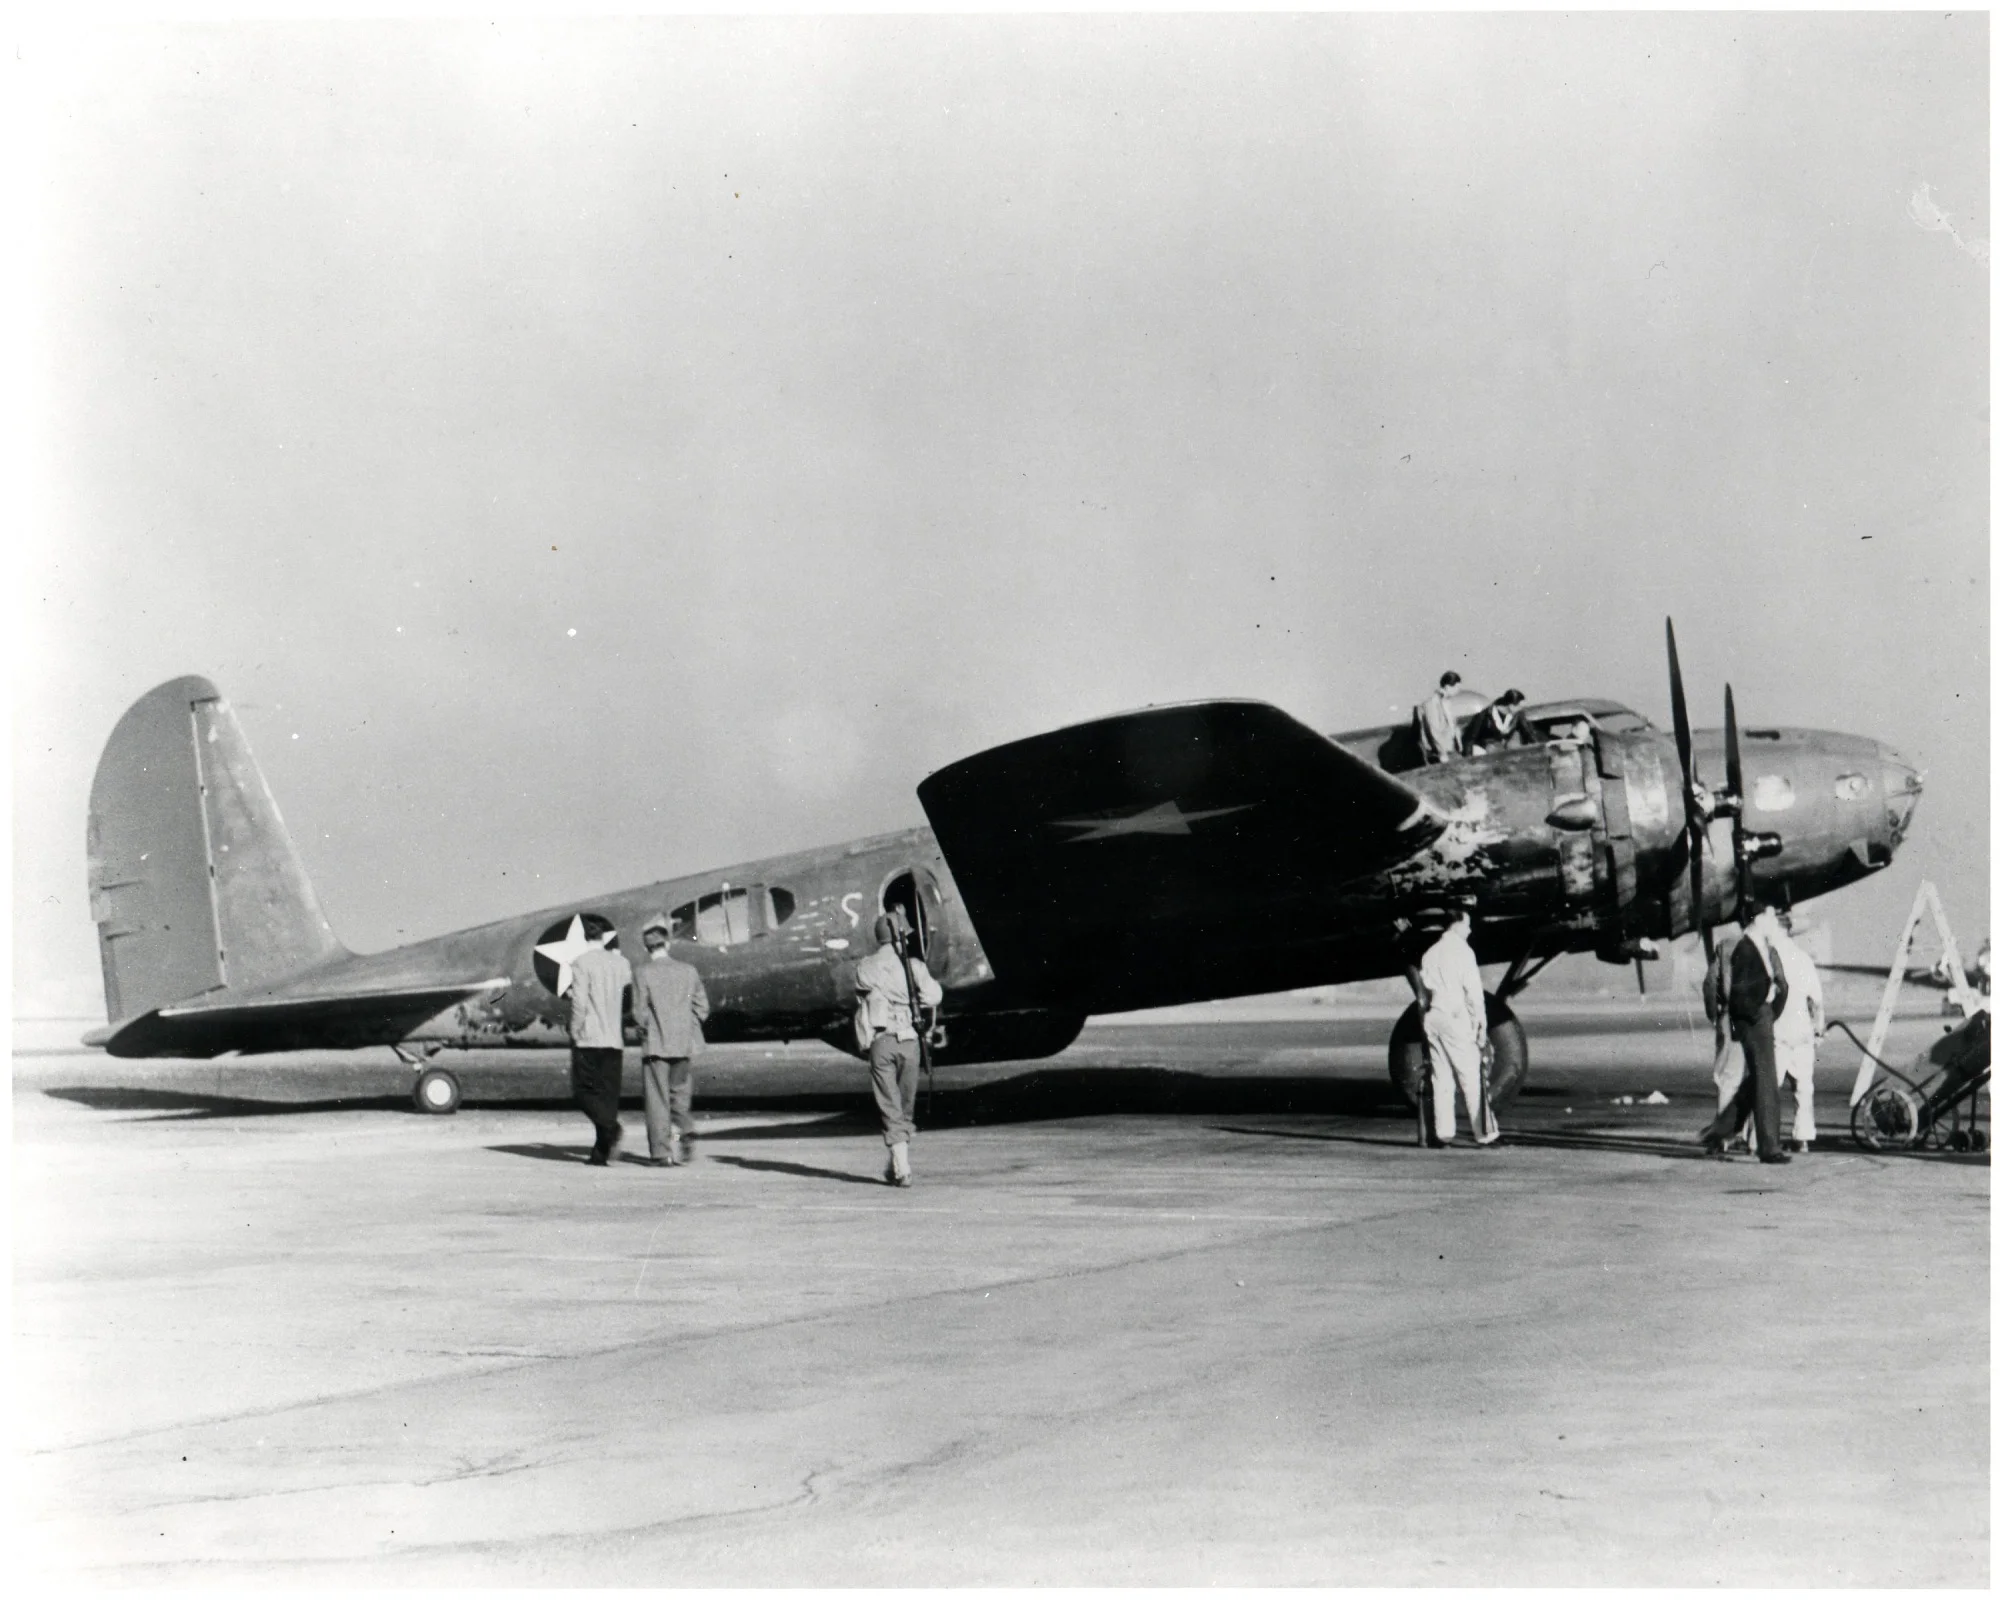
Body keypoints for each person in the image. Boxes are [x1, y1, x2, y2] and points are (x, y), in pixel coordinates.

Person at [854, 913, 943, 1187]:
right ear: (902, 936)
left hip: (882, 1042)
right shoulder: (914, 966)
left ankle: (897, 1165)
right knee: (904, 1106)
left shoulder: (865, 966)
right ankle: (900, 1164)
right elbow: (934, 996)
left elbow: (860, 992)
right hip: (908, 1042)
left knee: (890, 1104)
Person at [1700, 902, 1790, 1163]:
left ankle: (1721, 1130)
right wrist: (1761, 1014)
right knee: (1765, 1084)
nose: (1773, 922)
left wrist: (1770, 1012)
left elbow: (1712, 986)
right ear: (1757, 919)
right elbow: (1752, 992)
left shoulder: (1746, 947)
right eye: (1770, 917)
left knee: (1752, 1082)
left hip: (1754, 1019)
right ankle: (1769, 1147)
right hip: (1754, 1021)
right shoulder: (1747, 948)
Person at [1414, 905, 1498, 1147]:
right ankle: (1485, 1134)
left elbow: (1424, 992)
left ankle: (1443, 1133)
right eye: (1468, 924)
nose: (1470, 930)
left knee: (1441, 1077)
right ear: (1458, 924)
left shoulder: (1430, 953)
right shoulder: (1463, 952)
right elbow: (1473, 992)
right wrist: (1481, 1023)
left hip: (1434, 1017)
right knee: (1471, 1075)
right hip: (1454, 1017)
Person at [632, 914, 710, 1166]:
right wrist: (688, 1027)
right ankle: (686, 1129)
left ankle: (661, 1153)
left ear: (647, 947)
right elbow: (703, 1007)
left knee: (657, 1100)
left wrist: (645, 1030)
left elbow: (639, 1013)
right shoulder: (688, 971)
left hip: (656, 1046)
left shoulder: (642, 973)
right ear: (667, 944)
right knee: (680, 1095)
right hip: (684, 1045)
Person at [566, 927, 633, 1166]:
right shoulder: (622, 964)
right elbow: (626, 1000)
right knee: (608, 1095)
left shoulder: (581, 963)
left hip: (588, 1037)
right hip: (614, 1037)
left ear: (585, 939)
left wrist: (575, 1029)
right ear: (603, 939)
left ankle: (610, 1128)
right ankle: (600, 1153)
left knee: (583, 1091)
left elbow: (580, 1001)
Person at [1769, 911, 1824, 1153]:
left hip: (1777, 1031)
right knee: (1803, 1089)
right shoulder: (1804, 959)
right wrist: (1818, 1031)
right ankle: (1803, 1139)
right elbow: (1817, 1001)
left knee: (1769, 1088)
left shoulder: (1769, 959)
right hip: (1803, 1032)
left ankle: (1762, 1139)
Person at [1701, 930, 1750, 1151]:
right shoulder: (1769, 946)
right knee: (1753, 1080)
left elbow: (1710, 983)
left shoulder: (1725, 946)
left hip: (1730, 1018)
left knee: (1728, 1079)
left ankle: (1723, 1136)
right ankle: (1744, 1136)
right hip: (1758, 1020)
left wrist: (1714, 1015)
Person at [1462, 688, 1534, 755]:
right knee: (1493, 749)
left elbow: (1527, 732)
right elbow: (1470, 738)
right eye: (1520, 707)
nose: (1521, 709)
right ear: (1511, 706)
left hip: (1507, 743)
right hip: (1489, 746)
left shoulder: (1518, 714)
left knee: (1514, 745)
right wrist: (1469, 758)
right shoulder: (1484, 715)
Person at [1414, 671, 1464, 765]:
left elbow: (1452, 725)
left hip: (1450, 750)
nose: (1458, 691)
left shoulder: (1447, 702)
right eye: (1457, 688)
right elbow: (1434, 730)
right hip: (1438, 754)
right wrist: (1442, 754)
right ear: (1448, 686)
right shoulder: (1432, 703)